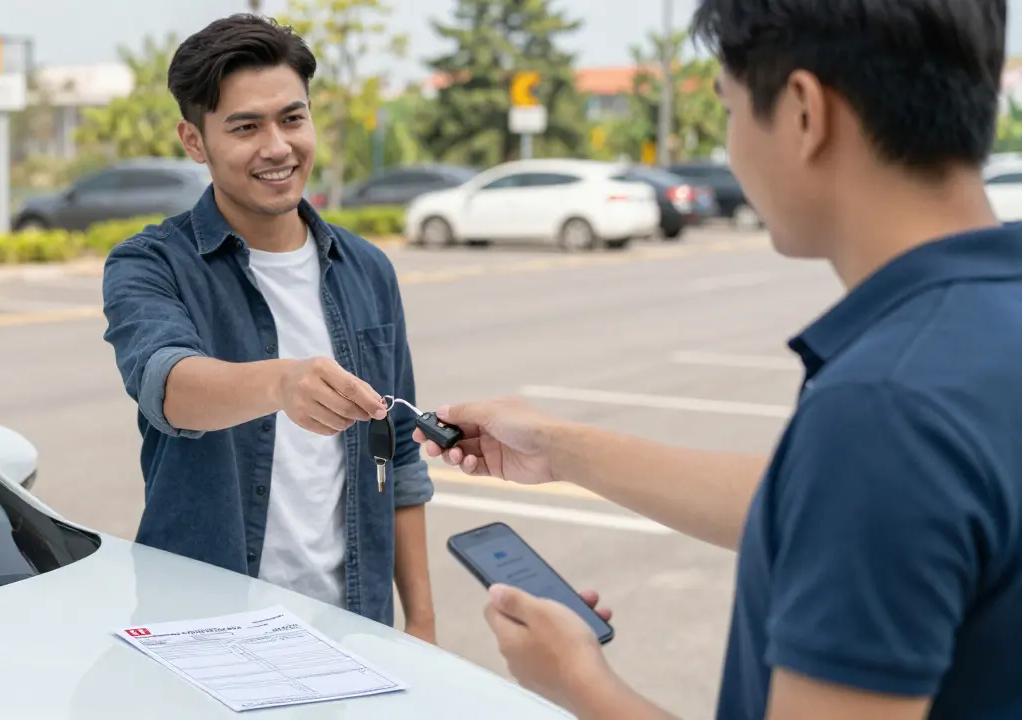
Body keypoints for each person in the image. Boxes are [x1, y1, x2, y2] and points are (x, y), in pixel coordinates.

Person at [417, 0, 1021, 717]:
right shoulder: (978, 331)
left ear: (803, 111)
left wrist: (581, 685)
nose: (733, 147)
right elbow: (833, 511)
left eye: (732, 111)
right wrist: (555, 447)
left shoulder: (884, 410)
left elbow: (867, 482)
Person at [101, 13, 437, 643]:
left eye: (292, 118)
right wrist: (282, 383)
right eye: (245, 127)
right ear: (195, 141)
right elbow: (167, 385)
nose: (278, 147)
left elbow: (401, 452)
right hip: (205, 630)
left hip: (354, 626)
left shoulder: (367, 269)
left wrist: (420, 621)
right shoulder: (150, 263)